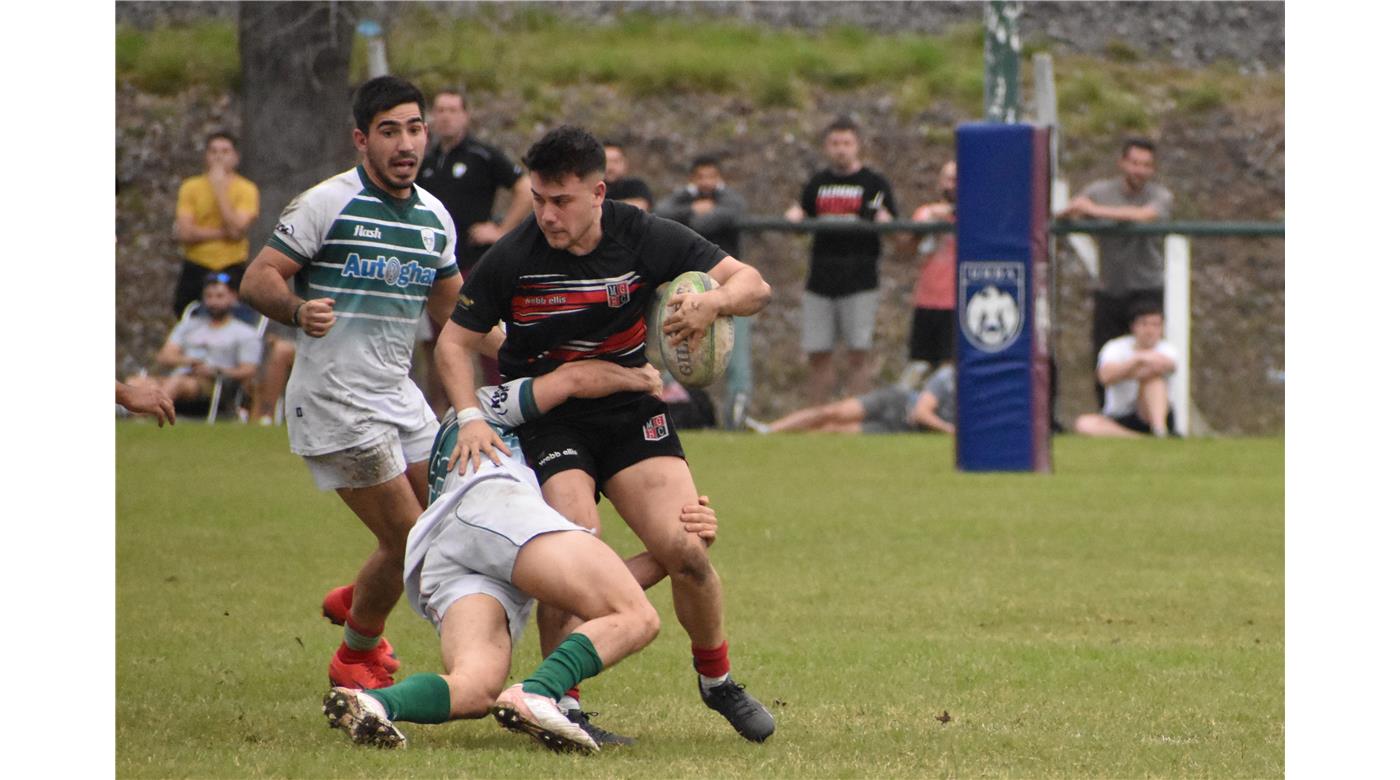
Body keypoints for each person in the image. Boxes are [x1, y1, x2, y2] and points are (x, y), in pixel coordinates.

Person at [436, 125, 776, 744]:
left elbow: (754, 284)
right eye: (538, 198)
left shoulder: (642, 235)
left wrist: (714, 304)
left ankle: (717, 679)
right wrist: (471, 416)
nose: (546, 214)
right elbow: (454, 343)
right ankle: (562, 703)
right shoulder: (515, 256)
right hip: (551, 421)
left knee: (689, 551)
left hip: (629, 408)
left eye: (560, 200)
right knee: (572, 557)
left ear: (598, 192)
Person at [322, 360, 719, 753]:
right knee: (637, 616)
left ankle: (374, 704)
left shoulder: (540, 434)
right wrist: (642, 378)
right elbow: (574, 377)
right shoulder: (491, 404)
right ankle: (538, 693)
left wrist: (674, 548)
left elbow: (585, 591)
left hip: (452, 544)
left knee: (475, 686)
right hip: (493, 507)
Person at [239, 76, 464, 691]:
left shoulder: (434, 217)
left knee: (445, 521)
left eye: (414, 128)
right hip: (335, 401)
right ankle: (354, 658)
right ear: (362, 139)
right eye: (389, 131)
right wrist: (295, 309)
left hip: (400, 397)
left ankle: (358, 599)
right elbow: (259, 279)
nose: (405, 143)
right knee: (414, 539)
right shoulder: (326, 204)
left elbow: (456, 313)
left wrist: (534, 349)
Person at [414, 88, 532, 407]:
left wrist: (502, 231)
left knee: (482, 334)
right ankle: (444, 412)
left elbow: (524, 189)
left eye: (453, 110)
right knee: (438, 343)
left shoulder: (482, 155)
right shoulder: (426, 162)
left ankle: (504, 404)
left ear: (465, 115)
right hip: (434, 268)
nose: (446, 116)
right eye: (439, 110)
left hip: (474, 264)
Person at [784, 116, 898, 404]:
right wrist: (794, 217)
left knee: (858, 352)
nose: (841, 149)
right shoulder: (817, 183)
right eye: (835, 143)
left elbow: (894, 227)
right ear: (826, 146)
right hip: (820, 281)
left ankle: (855, 416)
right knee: (818, 353)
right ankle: (817, 417)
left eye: (846, 143)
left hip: (860, 280)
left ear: (857, 145)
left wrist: (886, 221)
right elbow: (800, 214)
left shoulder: (873, 183)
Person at [1057, 138, 1174, 404]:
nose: (1139, 170)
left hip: (1146, 287)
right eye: (1134, 163)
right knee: (1105, 355)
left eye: (1146, 165)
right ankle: (1108, 414)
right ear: (1122, 163)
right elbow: (1070, 211)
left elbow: (1145, 216)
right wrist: (1071, 212)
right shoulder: (1101, 190)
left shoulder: (1160, 195)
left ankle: (1150, 415)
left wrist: (1095, 211)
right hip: (1110, 288)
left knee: (1150, 356)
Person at [655, 155, 754, 427]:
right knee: (680, 355)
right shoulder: (683, 200)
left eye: (711, 176)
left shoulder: (729, 199)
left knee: (736, 360)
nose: (706, 182)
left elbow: (730, 214)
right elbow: (661, 212)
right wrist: (693, 211)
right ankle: (670, 410)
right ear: (692, 179)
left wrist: (700, 216)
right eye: (701, 176)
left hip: (730, 293)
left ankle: (736, 420)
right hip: (689, 294)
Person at [124, 273, 262, 407]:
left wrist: (216, 371)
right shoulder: (189, 326)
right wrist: (190, 361)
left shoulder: (245, 333)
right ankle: (139, 421)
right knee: (135, 382)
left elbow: (248, 370)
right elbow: (164, 356)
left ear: (233, 297)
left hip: (213, 384)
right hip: (180, 374)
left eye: (219, 296)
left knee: (176, 383)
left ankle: (150, 417)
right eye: (209, 296)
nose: (213, 302)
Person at [172, 132, 260, 316]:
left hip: (232, 264)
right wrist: (224, 233)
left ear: (235, 157)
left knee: (240, 316)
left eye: (225, 151)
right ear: (206, 156)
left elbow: (237, 230)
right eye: (213, 151)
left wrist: (220, 189)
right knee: (186, 314)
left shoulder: (247, 189)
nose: (219, 156)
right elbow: (185, 233)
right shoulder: (190, 187)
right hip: (197, 265)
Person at [753, 363, 956, 435]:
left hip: (900, 429)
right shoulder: (948, 377)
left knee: (835, 431)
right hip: (896, 401)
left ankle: (790, 441)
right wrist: (950, 430)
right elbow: (921, 412)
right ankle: (771, 429)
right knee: (833, 412)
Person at [1073, 301, 1178, 438]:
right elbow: (1105, 377)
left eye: (1155, 325)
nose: (1150, 331)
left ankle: (1159, 431)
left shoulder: (1167, 349)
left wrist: (1124, 372)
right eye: (1144, 324)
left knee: (1153, 381)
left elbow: (1165, 366)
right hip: (1119, 416)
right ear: (1134, 327)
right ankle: (1138, 439)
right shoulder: (1115, 348)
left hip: (1149, 414)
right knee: (1084, 424)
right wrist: (1137, 360)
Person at [899, 161, 958, 383]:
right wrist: (924, 227)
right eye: (949, 179)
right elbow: (905, 250)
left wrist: (952, 212)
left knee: (949, 367)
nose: (953, 185)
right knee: (919, 365)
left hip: (954, 303)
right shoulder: (925, 212)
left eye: (957, 180)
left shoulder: (975, 213)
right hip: (926, 300)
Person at [602, 140, 654, 211]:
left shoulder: (636, 186)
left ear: (624, 163)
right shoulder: (591, 188)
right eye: (606, 161)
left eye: (615, 161)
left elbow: (639, 207)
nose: (610, 167)